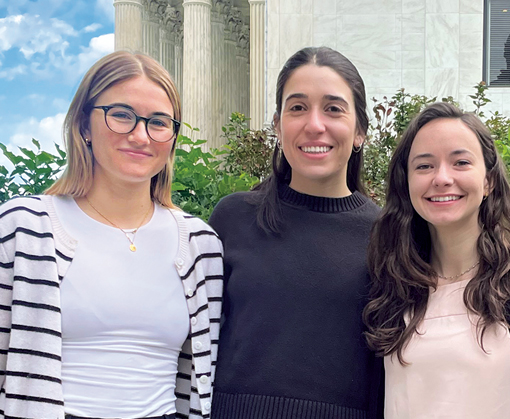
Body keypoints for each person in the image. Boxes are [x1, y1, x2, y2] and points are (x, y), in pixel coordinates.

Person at [0, 51, 223, 418]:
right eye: (121, 115)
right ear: (84, 125)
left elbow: (202, 379)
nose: (140, 135)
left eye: (159, 122)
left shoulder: (201, 246)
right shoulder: (24, 227)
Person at [363, 102, 510, 419]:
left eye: (460, 162)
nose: (442, 178)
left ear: (488, 180)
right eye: (424, 166)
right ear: (406, 184)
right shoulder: (387, 288)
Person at [208, 46, 383, 418]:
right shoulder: (233, 219)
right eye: (298, 107)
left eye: (333, 108)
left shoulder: (388, 236)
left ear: (360, 132)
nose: (314, 124)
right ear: (277, 125)